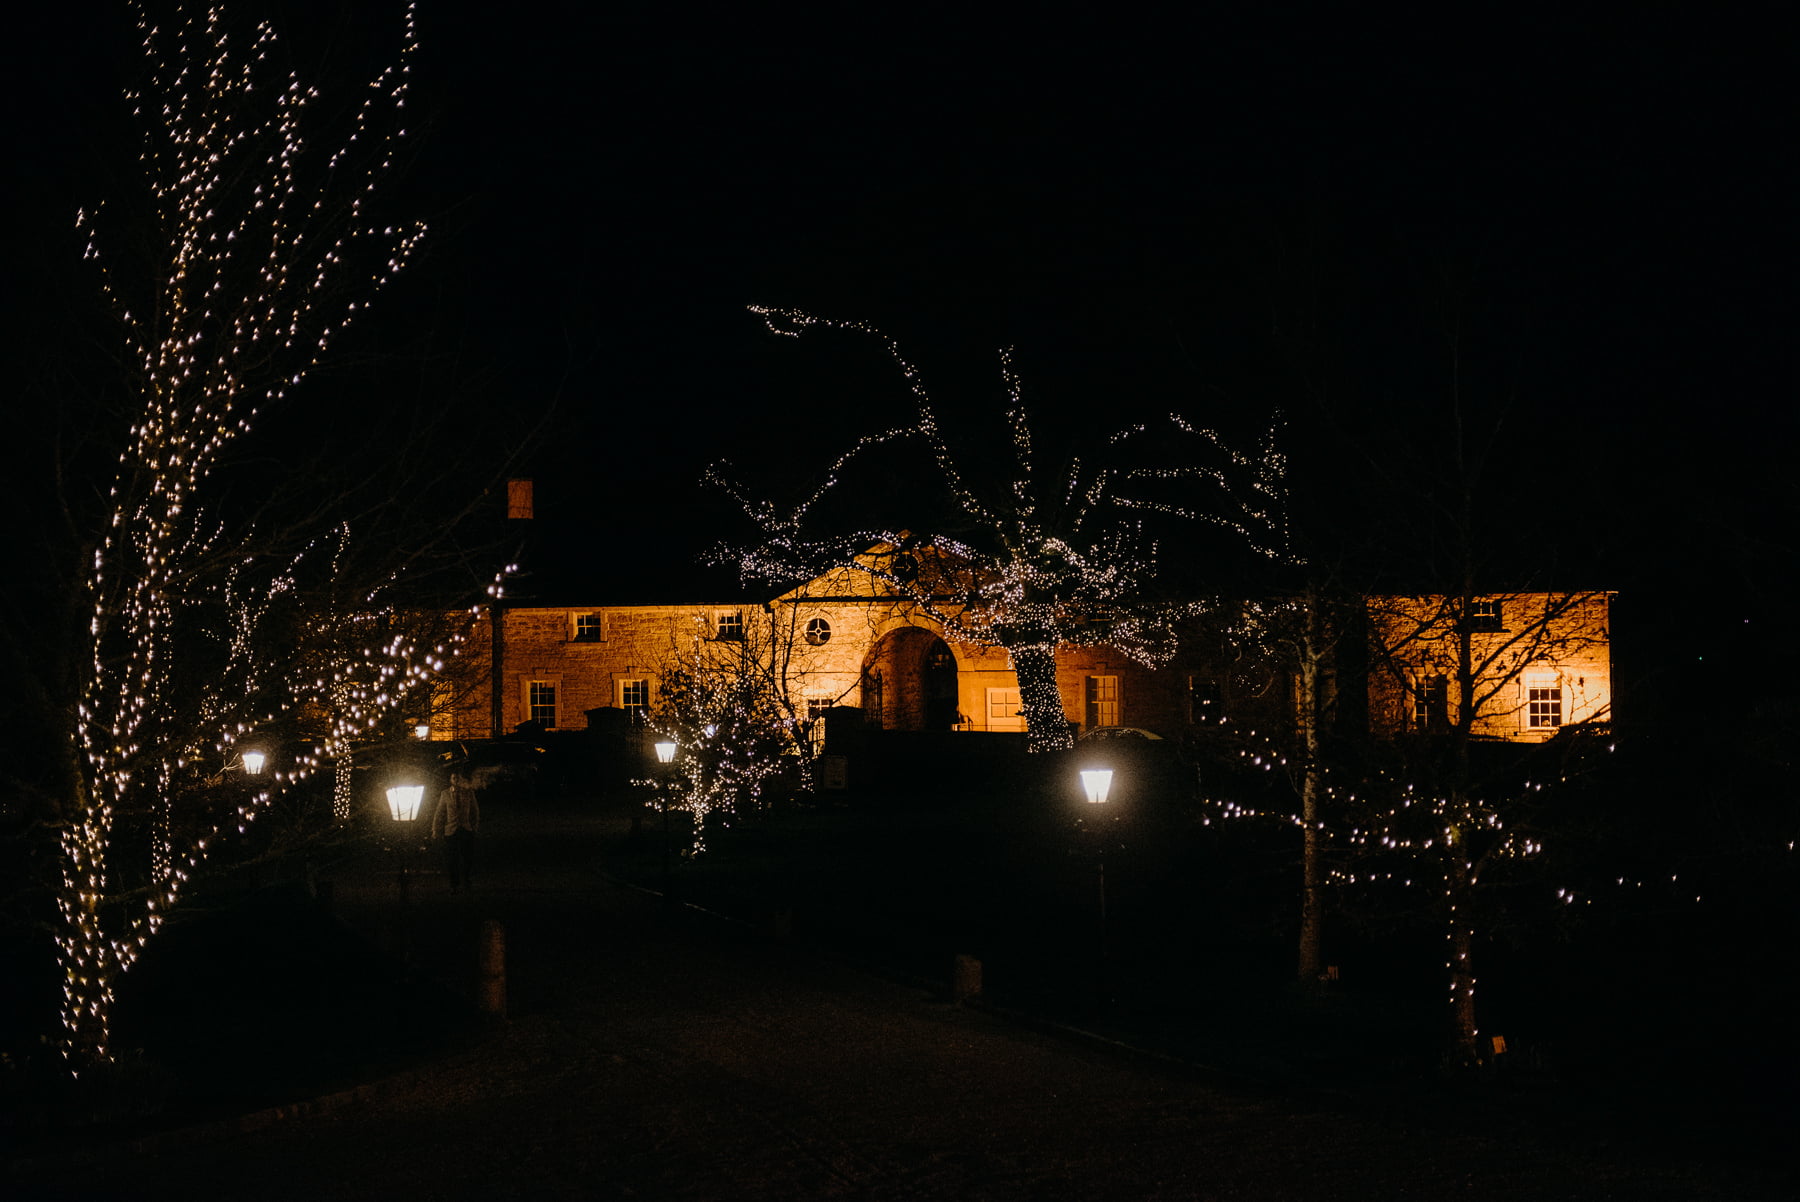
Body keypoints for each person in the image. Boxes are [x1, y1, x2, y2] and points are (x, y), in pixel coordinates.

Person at [432, 769, 481, 891]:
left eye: (458, 778)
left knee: (467, 858)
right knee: (452, 859)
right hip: (451, 830)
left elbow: (475, 811)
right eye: (453, 778)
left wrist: (474, 826)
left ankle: (466, 881)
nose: (456, 781)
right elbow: (439, 813)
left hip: (465, 828)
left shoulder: (468, 792)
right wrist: (435, 829)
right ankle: (454, 883)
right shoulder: (445, 794)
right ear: (450, 780)